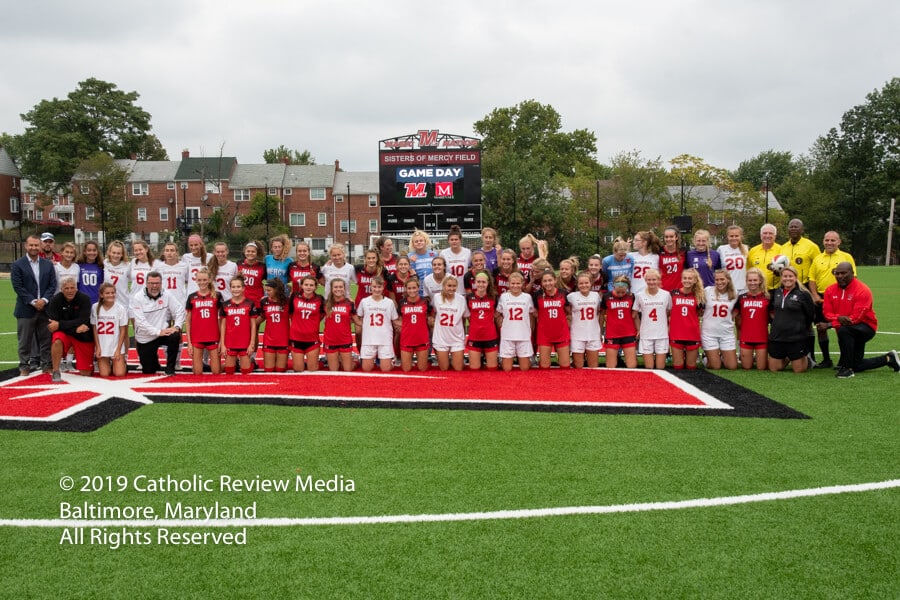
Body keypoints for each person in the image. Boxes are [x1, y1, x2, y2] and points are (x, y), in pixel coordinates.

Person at [819, 262, 900, 378]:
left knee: (844, 331)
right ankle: (888, 359)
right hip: (845, 327)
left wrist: (830, 324)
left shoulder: (862, 290)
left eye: (843, 273)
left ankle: (847, 369)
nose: (840, 276)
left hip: (865, 327)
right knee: (856, 364)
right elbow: (827, 313)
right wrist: (838, 318)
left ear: (852, 273)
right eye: (837, 273)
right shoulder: (829, 290)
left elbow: (855, 318)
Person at [808, 231, 856, 368]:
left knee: (840, 329)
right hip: (821, 298)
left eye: (833, 240)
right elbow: (812, 279)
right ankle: (826, 359)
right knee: (821, 328)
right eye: (827, 240)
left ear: (839, 242)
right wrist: (815, 295)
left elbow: (853, 279)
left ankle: (843, 360)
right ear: (823, 241)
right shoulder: (818, 258)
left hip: (840, 298)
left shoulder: (846, 257)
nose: (829, 243)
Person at [11, 235, 58, 376]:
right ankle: (24, 366)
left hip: (45, 308)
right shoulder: (18, 264)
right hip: (26, 309)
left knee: (46, 339)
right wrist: (33, 301)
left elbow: (52, 285)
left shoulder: (47, 264)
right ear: (26, 246)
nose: (34, 247)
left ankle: (46, 365)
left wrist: (44, 300)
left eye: (36, 245)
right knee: (25, 340)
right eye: (31, 245)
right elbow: (18, 287)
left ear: (40, 246)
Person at [131, 271, 185, 376]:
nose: (154, 286)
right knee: (149, 370)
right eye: (151, 283)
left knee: (175, 335)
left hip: (163, 333)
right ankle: (154, 360)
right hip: (146, 336)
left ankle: (170, 368)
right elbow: (141, 322)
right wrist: (158, 332)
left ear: (161, 283)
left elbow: (179, 310)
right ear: (146, 283)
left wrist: (177, 326)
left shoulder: (167, 294)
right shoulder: (138, 298)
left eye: (157, 283)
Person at [767, 266, 815, 373]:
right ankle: (788, 357)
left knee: (798, 370)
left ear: (795, 277)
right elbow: (770, 310)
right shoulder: (776, 292)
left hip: (796, 338)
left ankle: (805, 357)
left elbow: (810, 315)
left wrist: (800, 327)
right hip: (777, 337)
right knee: (774, 369)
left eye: (790, 276)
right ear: (781, 278)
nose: (787, 279)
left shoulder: (803, 294)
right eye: (785, 276)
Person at [46, 277, 94, 381]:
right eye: (66, 288)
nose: (70, 291)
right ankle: (56, 370)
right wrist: (74, 329)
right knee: (57, 340)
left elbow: (83, 320)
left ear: (76, 288)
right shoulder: (55, 300)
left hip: (82, 335)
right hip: (67, 333)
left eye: (72, 288)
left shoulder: (85, 299)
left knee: (86, 373)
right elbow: (53, 325)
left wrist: (60, 324)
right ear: (61, 289)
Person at [354, 276, 400, 372]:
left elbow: (395, 320)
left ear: (383, 287)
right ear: (370, 287)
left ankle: (391, 361)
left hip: (385, 339)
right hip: (368, 339)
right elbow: (359, 317)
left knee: (385, 369)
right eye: (374, 287)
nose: (377, 289)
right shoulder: (364, 301)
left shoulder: (389, 302)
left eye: (379, 287)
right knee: (366, 369)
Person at [184, 267, 223, 375]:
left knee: (216, 372)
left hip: (213, 336)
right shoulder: (192, 297)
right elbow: (188, 321)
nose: (202, 282)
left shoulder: (217, 295)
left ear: (209, 280)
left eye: (205, 280)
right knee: (197, 372)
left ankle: (230, 364)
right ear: (196, 280)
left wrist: (222, 340)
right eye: (200, 280)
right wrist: (189, 342)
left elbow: (222, 319)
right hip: (197, 336)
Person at [219, 274, 260, 375]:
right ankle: (236, 363)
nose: (236, 289)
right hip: (231, 342)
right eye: (233, 287)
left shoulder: (249, 303)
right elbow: (223, 326)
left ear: (243, 288)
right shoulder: (225, 304)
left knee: (246, 371)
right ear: (230, 288)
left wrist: (251, 344)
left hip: (244, 342)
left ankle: (252, 363)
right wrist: (223, 344)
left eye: (238, 287)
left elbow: (253, 325)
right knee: (229, 371)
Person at [497, 271, 536, 372]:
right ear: (508, 284)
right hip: (507, 335)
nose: (515, 286)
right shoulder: (504, 297)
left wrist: (531, 328)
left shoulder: (527, 297)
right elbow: (498, 313)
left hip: (523, 335)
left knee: (525, 368)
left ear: (522, 284)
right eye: (513, 283)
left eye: (518, 283)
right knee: (507, 369)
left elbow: (532, 313)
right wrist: (500, 324)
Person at [634, 268, 671, 370]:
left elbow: (669, 312)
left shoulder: (666, 294)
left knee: (660, 367)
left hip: (661, 333)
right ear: (645, 280)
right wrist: (638, 329)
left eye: (654, 279)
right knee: (649, 367)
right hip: (646, 333)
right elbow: (635, 314)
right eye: (649, 280)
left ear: (658, 280)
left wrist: (668, 327)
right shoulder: (640, 295)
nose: (651, 282)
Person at [701, 269, 738, 370]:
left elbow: (737, 310)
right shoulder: (707, 291)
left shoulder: (735, 294)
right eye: (717, 280)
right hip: (709, 333)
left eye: (722, 279)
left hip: (726, 333)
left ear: (728, 280)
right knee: (715, 366)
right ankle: (706, 358)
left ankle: (721, 356)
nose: (719, 282)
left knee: (732, 366)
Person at [600, 275, 639, 369]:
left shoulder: (632, 297)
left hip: (628, 332)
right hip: (612, 333)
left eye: (623, 292)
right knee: (611, 366)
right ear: (613, 286)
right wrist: (600, 330)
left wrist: (638, 329)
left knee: (631, 366)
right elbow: (602, 314)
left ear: (627, 288)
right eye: (618, 292)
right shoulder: (606, 297)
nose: (620, 294)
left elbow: (635, 315)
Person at [669, 268, 705, 370]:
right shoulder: (673, 294)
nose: (687, 280)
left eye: (690, 278)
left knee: (691, 367)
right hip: (677, 333)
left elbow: (699, 313)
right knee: (678, 366)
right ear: (681, 279)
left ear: (695, 280)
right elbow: (668, 311)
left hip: (692, 333)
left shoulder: (699, 296)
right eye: (685, 278)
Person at [431, 276, 469, 371]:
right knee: (444, 368)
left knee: (458, 368)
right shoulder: (437, 298)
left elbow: (465, 316)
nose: (451, 288)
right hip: (441, 338)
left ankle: (456, 359)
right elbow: (433, 313)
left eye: (454, 286)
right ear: (444, 286)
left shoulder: (461, 299)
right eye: (449, 286)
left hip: (456, 338)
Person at [735, 268, 770, 371]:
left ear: (760, 281)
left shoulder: (767, 297)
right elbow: (734, 315)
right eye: (750, 280)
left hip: (762, 337)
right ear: (746, 281)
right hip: (746, 337)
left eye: (755, 280)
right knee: (746, 367)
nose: (752, 283)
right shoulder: (741, 298)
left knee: (761, 368)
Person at [534, 269, 571, 369]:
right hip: (545, 333)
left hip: (561, 332)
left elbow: (569, 311)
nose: (547, 283)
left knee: (565, 366)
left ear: (555, 280)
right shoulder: (538, 295)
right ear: (541, 282)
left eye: (550, 280)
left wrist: (568, 322)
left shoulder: (563, 293)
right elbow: (534, 312)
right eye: (545, 281)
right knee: (544, 367)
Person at [288, 275, 325, 372]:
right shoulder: (295, 296)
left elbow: (322, 315)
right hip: (296, 337)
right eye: (306, 284)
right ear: (302, 286)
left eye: (311, 285)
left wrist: (311, 324)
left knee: (313, 369)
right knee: (298, 369)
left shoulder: (320, 299)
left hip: (312, 338)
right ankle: (303, 362)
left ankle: (322, 361)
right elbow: (290, 313)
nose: (309, 287)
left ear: (316, 287)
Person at [91, 282, 129, 378]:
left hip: (115, 344)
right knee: (104, 374)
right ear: (101, 295)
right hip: (102, 345)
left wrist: (118, 350)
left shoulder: (120, 308)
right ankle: (109, 363)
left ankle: (121, 362)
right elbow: (94, 329)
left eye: (113, 293)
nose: (111, 295)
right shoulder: (95, 307)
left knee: (119, 373)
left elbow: (123, 330)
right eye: (107, 293)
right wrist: (98, 347)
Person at [567, 271, 602, 368]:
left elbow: (598, 312)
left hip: (593, 333)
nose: (584, 285)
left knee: (593, 367)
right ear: (577, 284)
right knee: (578, 366)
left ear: (591, 283)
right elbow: (567, 312)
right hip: (577, 334)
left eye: (586, 283)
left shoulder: (596, 296)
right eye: (581, 283)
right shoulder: (571, 296)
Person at [466, 271, 499, 370]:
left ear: (488, 283)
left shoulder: (494, 297)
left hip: (490, 335)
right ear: (475, 282)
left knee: (492, 368)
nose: (481, 284)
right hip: (475, 335)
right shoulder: (469, 297)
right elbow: (467, 315)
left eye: (483, 282)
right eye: (479, 282)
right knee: (474, 368)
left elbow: (497, 313)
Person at [398, 277, 433, 372]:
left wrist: (430, 321)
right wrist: (400, 327)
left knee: (422, 369)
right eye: (409, 288)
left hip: (421, 337)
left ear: (418, 288)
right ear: (406, 289)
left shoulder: (425, 301)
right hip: (407, 338)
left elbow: (431, 315)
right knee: (406, 369)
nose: (412, 290)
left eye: (414, 288)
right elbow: (398, 318)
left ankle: (427, 361)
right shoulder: (402, 302)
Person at [322, 278, 356, 372]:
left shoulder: (349, 303)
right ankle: (339, 359)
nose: (338, 289)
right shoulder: (325, 303)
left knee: (348, 369)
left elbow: (356, 320)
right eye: (336, 287)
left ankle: (353, 362)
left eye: (341, 287)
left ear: (344, 288)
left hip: (345, 339)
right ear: (331, 289)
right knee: (334, 370)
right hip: (330, 340)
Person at [259, 279, 290, 373]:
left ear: (276, 290)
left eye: (269, 290)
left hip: (283, 339)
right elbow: (262, 317)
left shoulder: (287, 302)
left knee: (280, 370)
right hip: (269, 339)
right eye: (266, 290)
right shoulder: (264, 301)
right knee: (269, 370)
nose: (266, 292)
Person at [781, 219, 820, 286]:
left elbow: (818, 267)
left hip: (805, 285)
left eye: (796, 227)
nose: (793, 229)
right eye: (791, 227)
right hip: (787, 284)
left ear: (802, 230)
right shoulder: (783, 247)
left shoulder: (811, 246)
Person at [748, 223, 783, 292]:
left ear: (775, 236)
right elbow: (749, 270)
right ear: (761, 235)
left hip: (775, 290)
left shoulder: (782, 250)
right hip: (757, 290)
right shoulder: (753, 251)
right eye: (765, 233)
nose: (767, 236)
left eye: (770, 233)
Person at [717, 225, 749, 295]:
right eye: (731, 236)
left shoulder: (746, 248)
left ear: (741, 236)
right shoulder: (721, 249)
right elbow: (717, 269)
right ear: (727, 237)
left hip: (743, 288)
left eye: (736, 236)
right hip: (727, 288)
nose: (734, 238)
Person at [627, 231, 661, 295]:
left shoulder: (655, 257)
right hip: (633, 293)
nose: (633, 242)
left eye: (636, 240)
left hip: (648, 293)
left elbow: (658, 276)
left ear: (644, 242)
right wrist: (625, 250)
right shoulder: (630, 256)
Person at [158, 242, 190, 308]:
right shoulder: (158, 267)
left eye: (172, 250)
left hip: (180, 301)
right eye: (167, 250)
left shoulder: (184, 266)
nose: (169, 253)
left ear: (177, 253)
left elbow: (188, 281)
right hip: (164, 302)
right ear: (164, 253)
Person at [236, 241, 266, 307]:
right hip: (242, 299)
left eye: (253, 251)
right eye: (248, 251)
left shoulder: (262, 266)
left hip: (257, 300)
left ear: (257, 253)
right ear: (244, 252)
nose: (250, 253)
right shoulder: (239, 263)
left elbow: (266, 280)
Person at [440, 225, 471, 289]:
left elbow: (470, 270)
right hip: (449, 288)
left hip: (464, 287)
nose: (454, 241)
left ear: (460, 240)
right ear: (448, 241)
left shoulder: (468, 252)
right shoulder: (443, 253)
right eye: (452, 240)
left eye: (456, 239)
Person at [103, 240, 131, 309]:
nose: (115, 255)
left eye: (118, 253)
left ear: (122, 254)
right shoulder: (104, 263)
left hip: (123, 303)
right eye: (113, 253)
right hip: (107, 302)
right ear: (109, 252)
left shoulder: (128, 266)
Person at [76, 240, 104, 304]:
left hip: (97, 301)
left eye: (94, 250)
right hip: (82, 300)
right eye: (89, 250)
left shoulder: (101, 266)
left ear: (97, 252)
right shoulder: (78, 265)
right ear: (84, 252)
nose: (92, 252)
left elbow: (103, 284)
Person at [659, 225, 685, 292]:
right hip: (663, 290)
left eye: (671, 237)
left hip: (679, 290)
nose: (668, 239)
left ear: (676, 237)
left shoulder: (683, 252)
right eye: (666, 237)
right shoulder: (659, 251)